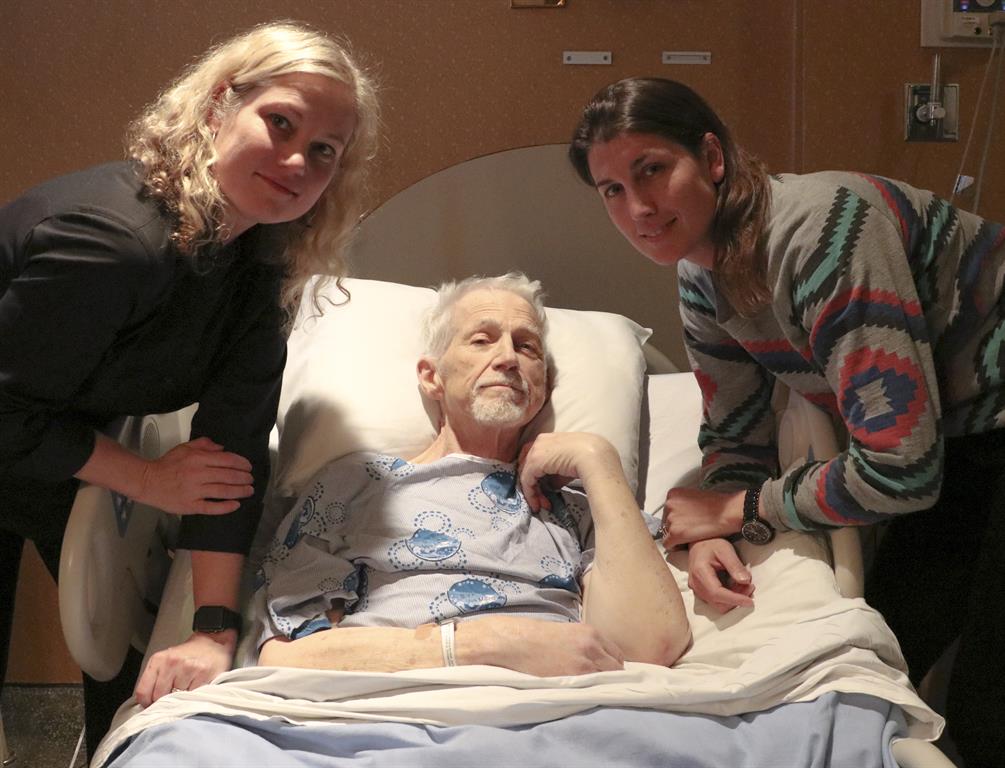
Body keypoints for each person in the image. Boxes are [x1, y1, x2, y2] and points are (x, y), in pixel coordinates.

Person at [568, 76, 1005, 766]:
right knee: (877, 655)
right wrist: (719, 533)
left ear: (711, 158)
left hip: (985, 418)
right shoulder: (698, 274)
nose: (639, 208)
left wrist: (741, 507)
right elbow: (734, 428)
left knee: (987, 709)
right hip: (956, 435)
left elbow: (901, 472)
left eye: (652, 169)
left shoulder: (827, 233)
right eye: (612, 191)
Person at [0, 20, 378, 756]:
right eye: (280, 123)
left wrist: (213, 629)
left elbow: (231, 446)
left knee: (136, 675)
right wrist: (143, 477)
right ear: (214, 110)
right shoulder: (114, 243)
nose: (298, 159)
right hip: (20, 417)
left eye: (324, 151)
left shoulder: (259, 263)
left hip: (52, 432)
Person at [253, 273, 690, 674]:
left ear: (545, 386)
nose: (507, 358)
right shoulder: (358, 484)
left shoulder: (579, 505)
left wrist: (597, 458)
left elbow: (652, 649)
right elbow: (286, 652)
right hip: (399, 706)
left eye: (527, 347)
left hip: (553, 711)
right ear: (431, 377)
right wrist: (473, 646)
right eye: (482, 340)